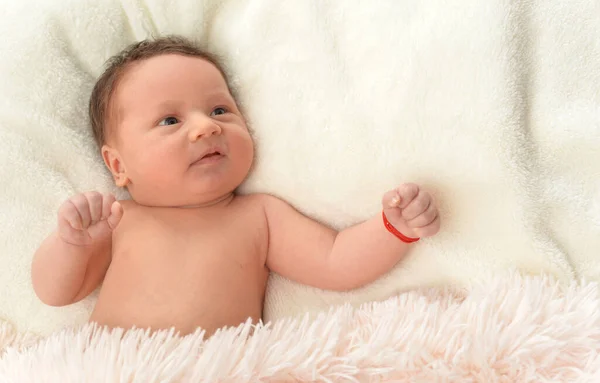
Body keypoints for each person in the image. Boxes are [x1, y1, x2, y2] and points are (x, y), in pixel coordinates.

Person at [31, 36, 441, 337]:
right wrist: (72, 243)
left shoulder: (258, 215)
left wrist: (394, 227)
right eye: (170, 120)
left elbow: (335, 261)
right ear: (118, 166)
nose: (206, 126)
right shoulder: (119, 220)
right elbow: (55, 292)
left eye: (220, 109)